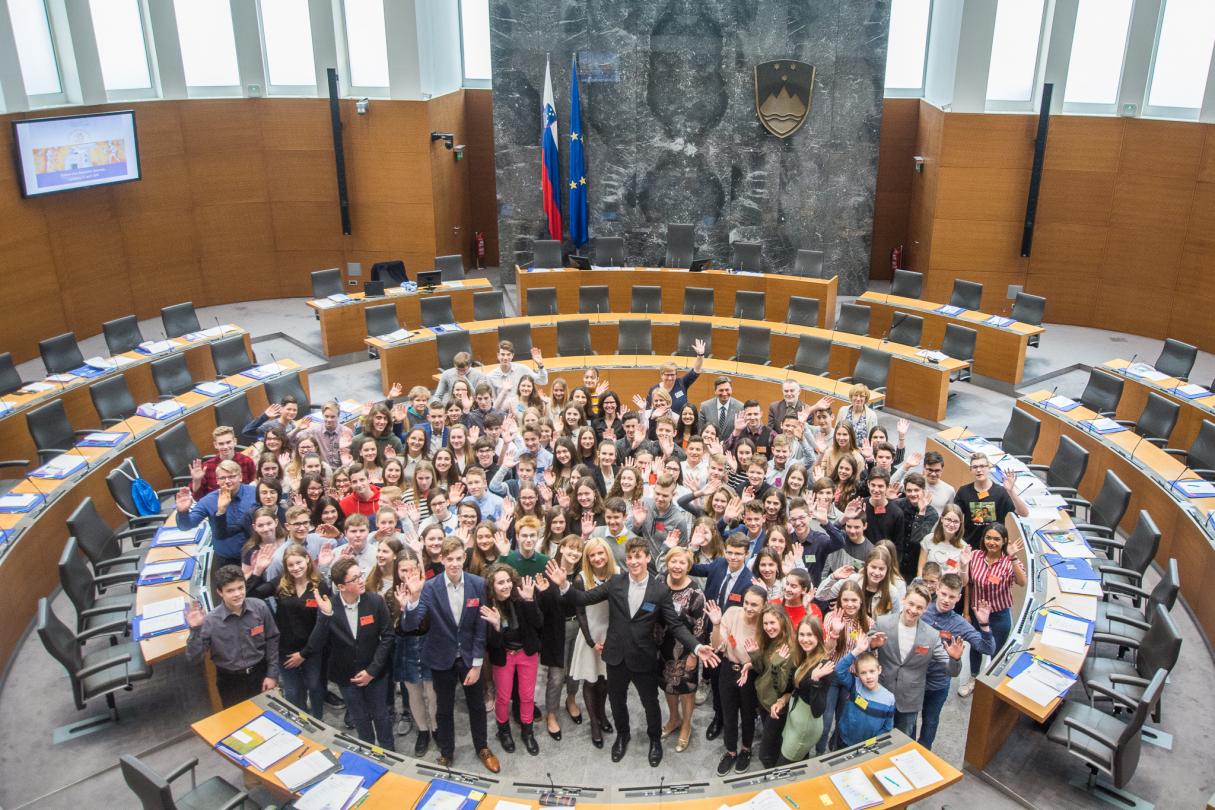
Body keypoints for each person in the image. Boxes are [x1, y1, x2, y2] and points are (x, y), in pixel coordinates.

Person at [544, 539, 720, 767]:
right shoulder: (616, 582)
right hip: (616, 655)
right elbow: (583, 599)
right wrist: (564, 586)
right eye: (630, 557)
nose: (634, 561)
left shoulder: (659, 590)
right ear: (626, 560)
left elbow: (675, 625)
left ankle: (655, 740)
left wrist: (696, 646)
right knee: (617, 701)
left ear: (648, 558)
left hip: (643, 658)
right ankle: (622, 735)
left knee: (650, 703)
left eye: (639, 556)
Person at [400, 537, 500, 772]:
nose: (454, 564)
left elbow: (480, 627)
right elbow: (411, 626)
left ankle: (482, 747)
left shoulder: (477, 584)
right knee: (443, 709)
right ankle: (447, 751)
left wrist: (477, 665)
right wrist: (413, 599)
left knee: (476, 706)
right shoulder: (430, 587)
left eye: (458, 558)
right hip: (440, 657)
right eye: (449, 559)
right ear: (442, 559)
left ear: (464, 558)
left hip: (469, 658)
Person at [310, 558, 396, 749]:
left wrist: (372, 671)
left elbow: (388, 636)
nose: (361, 580)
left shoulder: (375, 601)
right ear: (341, 586)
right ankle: (368, 751)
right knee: (360, 718)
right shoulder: (329, 607)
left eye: (361, 575)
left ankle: (389, 753)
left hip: (375, 673)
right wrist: (325, 617)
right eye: (355, 578)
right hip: (345, 675)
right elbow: (316, 645)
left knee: (381, 716)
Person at [867, 582, 964, 737]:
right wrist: (871, 645)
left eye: (919, 607)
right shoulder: (883, 623)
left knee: (902, 743)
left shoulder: (931, 636)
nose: (913, 610)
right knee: (874, 739)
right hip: (881, 693)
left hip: (909, 701)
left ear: (925, 609)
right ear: (904, 600)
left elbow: (952, 671)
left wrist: (955, 658)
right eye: (911, 604)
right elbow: (863, 649)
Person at [184, 565, 279, 707]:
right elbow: (194, 658)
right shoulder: (210, 620)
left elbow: (272, 639)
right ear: (220, 592)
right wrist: (196, 629)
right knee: (238, 724)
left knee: (268, 716)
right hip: (230, 681)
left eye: (240, 588)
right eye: (230, 590)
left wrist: (272, 674)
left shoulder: (260, 607)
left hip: (260, 673)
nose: (237, 594)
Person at [690, 534, 754, 742]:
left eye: (738, 554)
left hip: (732, 641)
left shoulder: (749, 581)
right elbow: (691, 568)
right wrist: (692, 547)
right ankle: (718, 717)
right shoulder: (718, 564)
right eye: (730, 552)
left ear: (746, 554)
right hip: (710, 630)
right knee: (715, 679)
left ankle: (733, 720)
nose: (733, 557)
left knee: (729, 684)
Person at [919, 573, 994, 748]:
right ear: (937, 589)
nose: (946, 599)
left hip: (937, 683)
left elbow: (987, 648)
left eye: (951, 596)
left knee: (930, 721)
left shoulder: (959, 624)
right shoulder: (922, 610)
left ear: (958, 598)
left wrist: (984, 625)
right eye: (944, 594)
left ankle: (922, 754)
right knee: (906, 720)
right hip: (913, 679)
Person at [957, 522, 1026, 698]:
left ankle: (990, 684)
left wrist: (1012, 557)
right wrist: (966, 612)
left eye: (996, 539)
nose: (992, 542)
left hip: (999, 614)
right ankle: (973, 678)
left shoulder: (1009, 561)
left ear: (1004, 541)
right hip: (977, 612)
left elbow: (1021, 582)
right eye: (988, 538)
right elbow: (969, 587)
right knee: (976, 647)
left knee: (997, 651)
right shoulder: (975, 556)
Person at [481, 564, 544, 756]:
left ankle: (527, 731)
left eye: (508, 581)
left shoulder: (521, 596)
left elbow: (538, 623)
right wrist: (497, 626)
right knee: (503, 697)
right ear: (492, 586)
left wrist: (530, 600)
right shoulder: (489, 607)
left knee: (526, 696)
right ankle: (504, 731)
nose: (507, 586)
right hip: (504, 656)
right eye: (501, 582)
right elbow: (491, 644)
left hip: (526, 653)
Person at [705, 584, 767, 774]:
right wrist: (716, 625)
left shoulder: (767, 624)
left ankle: (746, 750)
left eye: (754, 605)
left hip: (751, 673)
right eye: (746, 602)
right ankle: (731, 751)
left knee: (748, 715)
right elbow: (717, 645)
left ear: (764, 606)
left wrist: (750, 664)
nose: (748, 608)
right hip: (728, 669)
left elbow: (766, 656)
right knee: (729, 713)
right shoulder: (732, 612)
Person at [566, 537, 617, 747]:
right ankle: (594, 723)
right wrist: (590, 642)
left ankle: (602, 714)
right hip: (590, 635)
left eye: (600, 553)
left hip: (610, 634)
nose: (597, 558)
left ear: (607, 554)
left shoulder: (618, 575)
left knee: (605, 680)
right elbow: (580, 613)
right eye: (592, 555)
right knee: (590, 681)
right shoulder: (581, 579)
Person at [657, 545, 706, 753]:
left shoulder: (695, 592)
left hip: (687, 650)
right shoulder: (659, 584)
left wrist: (694, 655)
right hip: (662, 647)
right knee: (668, 686)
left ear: (688, 566)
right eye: (673, 561)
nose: (677, 566)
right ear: (667, 563)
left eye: (682, 563)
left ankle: (686, 725)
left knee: (686, 690)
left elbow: (700, 626)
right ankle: (673, 719)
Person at [176, 460, 259, 571]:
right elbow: (186, 525)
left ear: (240, 477)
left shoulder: (255, 493)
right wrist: (182, 512)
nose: (227, 481)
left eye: (232, 476)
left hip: (257, 555)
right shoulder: (209, 500)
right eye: (222, 478)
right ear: (217, 481)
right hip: (229, 561)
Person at [393, 554, 438, 756]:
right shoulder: (389, 594)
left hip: (429, 644)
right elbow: (394, 629)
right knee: (414, 692)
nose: (408, 575)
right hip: (405, 646)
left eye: (412, 570)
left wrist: (417, 596)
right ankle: (422, 730)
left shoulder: (431, 590)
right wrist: (403, 608)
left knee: (432, 692)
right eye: (403, 570)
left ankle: (436, 728)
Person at [745, 605, 797, 769]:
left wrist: (776, 665)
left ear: (782, 621)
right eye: (765, 623)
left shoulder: (789, 649)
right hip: (764, 701)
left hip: (776, 707)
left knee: (765, 754)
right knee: (774, 743)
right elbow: (763, 671)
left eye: (772, 623)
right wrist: (754, 655)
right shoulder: (771, 641)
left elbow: (781, 688)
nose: (768, 627)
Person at [778, 616, 834, 763]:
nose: (805, 639)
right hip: (795, 720)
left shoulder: (823, 667)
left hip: (805, 728)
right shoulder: (807, 656)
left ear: (818, 636)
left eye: (810, 635)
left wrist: (815, 681)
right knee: (798, 765)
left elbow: (818, 711)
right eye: (802, 635)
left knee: (783, 768)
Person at [953, 452, 1029, 548]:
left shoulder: (1001, 492)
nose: (979, 470)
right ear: (971, 470)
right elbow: (954, 516)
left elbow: (1024, 513)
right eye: (975, 467)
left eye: (982, 466)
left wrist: (1011, 492)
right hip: (970, 547)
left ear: (989, 467)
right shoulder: (963, 491)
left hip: (994, 548)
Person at [833, 633, 895, 747]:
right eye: (863, 673)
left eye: (872, 671)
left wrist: (870, 744)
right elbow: (839, 670)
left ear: (879, 670)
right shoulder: (855, 685)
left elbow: (887, 728)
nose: (868, 676)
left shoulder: (889, 699)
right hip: (844, 740)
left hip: (867, 745)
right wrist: (856, 651)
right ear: (857, 674)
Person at [188, 426, 257, 499]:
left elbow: (253, 486)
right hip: (215, 504)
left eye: (228, 442)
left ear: (235, 441)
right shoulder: (206, 467)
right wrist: (196, 480)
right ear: (215, 445)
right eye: (221, 444)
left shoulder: (247, 461)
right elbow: (198, 497)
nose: (225, 447)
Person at [645, 343, 706, 412]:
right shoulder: (654, 389)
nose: (670, 378)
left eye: (672, 375)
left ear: (676, 374)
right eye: (667, 375)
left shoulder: (682, 383)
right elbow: (648, 410)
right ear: (661, 375)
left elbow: (696, 371)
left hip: (680, 421)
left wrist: (700, 355)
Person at [485, 340, 549, 396]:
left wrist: (540, 365)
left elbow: (543, 381)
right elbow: (493, 401)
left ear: (512, 355)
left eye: (508, 354)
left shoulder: (523, 369)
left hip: (521, 408)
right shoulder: (491, 377)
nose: (505, 358)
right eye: (502, 354)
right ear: (498, 355)